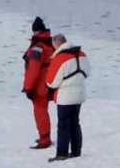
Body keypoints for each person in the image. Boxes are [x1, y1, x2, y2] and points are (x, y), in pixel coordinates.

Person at [46, 32, 88, 160]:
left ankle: (62, 153)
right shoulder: (81, 54)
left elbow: (51, 82)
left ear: (57, 43)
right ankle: (76, 152)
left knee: (63, 125)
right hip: (80, 94)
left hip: (65, 97)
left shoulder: (60, 58)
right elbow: (88, 72)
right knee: (75, 123)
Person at [22, 17, 56, 149]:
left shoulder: (38, 47)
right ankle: (45, 136)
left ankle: (44, 139)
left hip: (40, 85)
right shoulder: (51, 43)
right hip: (50, 82)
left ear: (36, 31)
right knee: (43, 110)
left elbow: (33, 69)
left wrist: (28, 88)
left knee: (40, 111)